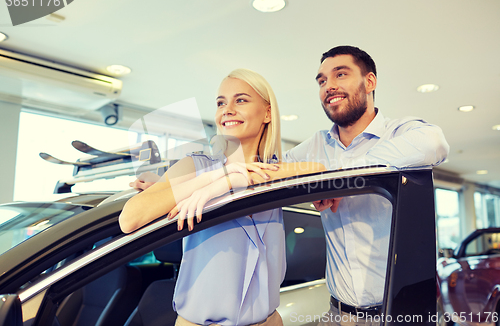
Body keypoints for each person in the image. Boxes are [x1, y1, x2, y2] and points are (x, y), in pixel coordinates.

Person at [119, 68, 324, 326]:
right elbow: (130, 219)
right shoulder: (196, 166)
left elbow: (319, 171)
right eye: (220, 103)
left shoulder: (274, 172)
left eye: (240, 100)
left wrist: (237, 179)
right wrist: (215, 178)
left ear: (268, 113)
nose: (227, 109)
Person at [283, 46, 450, 326]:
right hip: (338, 315)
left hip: (400, 315)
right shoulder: (314, 147)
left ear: (369, 82)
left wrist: (337, 178)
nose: (329, 86)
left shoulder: (400, 132)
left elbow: (435, 144)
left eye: (341, 74)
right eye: (322, 80)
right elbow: (271, 171)